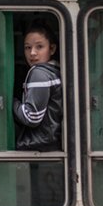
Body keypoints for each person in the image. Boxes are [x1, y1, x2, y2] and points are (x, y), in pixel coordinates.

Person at [13, 20, 63, 151]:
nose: (32, 53)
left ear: (52, 49)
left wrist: (12, 102)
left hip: (38, 145)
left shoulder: (39, 73)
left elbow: (31, 117)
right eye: (27, 47)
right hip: (50, 143)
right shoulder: (55, 71)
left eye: (39, 47)